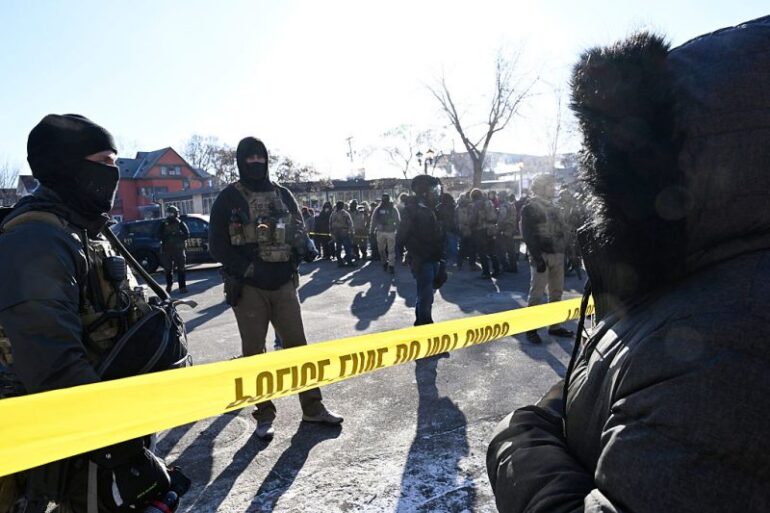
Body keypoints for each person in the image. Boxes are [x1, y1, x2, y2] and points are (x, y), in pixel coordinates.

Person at [489, 19, 770, 512]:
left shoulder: (734, 342)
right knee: (541, 292)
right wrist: (584, 391)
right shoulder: (695, 273)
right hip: (549, 258)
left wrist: (520, 437)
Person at [0, 114, 190, 512]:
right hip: (72, 437)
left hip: (103, 425)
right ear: (67, 167)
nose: (114, 173)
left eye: (114, 162)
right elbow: (51, 360)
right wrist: (120, 452)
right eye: (103, 162)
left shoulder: (83, 228)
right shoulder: (37, 238)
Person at [208, 136, 342, 439]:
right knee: (255, 354)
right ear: (240, 162)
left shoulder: (282, 194)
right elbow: (217, 245)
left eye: (260, 158)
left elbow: (298, 230)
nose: (255, 163)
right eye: (249, 159)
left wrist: (302, 250)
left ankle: (313, 408)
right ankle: (264, 414)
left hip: (284, 284)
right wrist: (248, 269)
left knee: (298, 348)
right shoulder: (228, 198)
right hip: (250, 287)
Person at [519, 174, 572, 343]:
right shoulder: (530, 208)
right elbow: (527, 235)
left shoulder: (554, 207)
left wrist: (568, 251)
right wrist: (537, 258)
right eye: (550, 185)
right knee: (537, 294)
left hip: (557, 254)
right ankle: (531, 329)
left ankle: (554, 326)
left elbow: (562, 230)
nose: (553, 188)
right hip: (541, 255)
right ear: (541, 187)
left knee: (556, 292)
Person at [398, 175, 446, 326]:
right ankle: (424, 323)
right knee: (425, 294)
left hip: (435, 257)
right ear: (423, 191)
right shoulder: (411, 210)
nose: (436, 193)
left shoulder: (434, 209)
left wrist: (442, 257)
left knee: (429, 293)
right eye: (433, 190)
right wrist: (414, 254)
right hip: (422, 258)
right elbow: (402, 235)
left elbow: (441, 233)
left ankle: (422, 320)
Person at [158, 204, 190, 293]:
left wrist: (178, 236)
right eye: (169, 214)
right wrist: (167, 237)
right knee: (168, 269)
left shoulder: (180, 223)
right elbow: (158, 235)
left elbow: (187, 234)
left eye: (172, 213)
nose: (170, 215)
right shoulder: (163, 224)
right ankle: (169, 286)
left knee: (181, 269)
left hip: (179, 250)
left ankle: (182, 287)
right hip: (167, 250)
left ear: (175, 214)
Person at [470, 188, 501, 279]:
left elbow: (473, 219)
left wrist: (471, 226)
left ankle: (486, 272)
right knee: (492, 251)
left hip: (481, 230)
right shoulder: (489, 202)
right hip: (491, 229)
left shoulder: (477, 204)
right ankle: (496, 270)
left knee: (482, 252)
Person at [369, 193, 400, 274]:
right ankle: (384, 263)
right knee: (381, 250)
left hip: (390, 231)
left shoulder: (393, 209)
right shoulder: (378, 209)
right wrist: (371, 231)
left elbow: (397, 220)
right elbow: (374, 220)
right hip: (381, 231)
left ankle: (391, 265)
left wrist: (397, 229)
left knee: (391, 250)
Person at [496, 191, 519, 273]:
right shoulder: (511, 205)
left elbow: (501, 219)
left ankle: (505, 266)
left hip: (504, 230)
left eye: (498, 196)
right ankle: (513, 267)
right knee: (511, 249)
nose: (497, 198)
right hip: (510, 229)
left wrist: (497, 228)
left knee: (500, 250)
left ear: (501, 197)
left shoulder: (503, 206)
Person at [436, 192, 459, 267]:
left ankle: (447, 260)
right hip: (454, 228)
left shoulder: (440, 207)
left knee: (446, 245)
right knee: (454, 245)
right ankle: (455, 260)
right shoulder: (454, 206)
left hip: (444, 228)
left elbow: (438, 218)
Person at [330, 201, 355, 267]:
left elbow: (330, 224)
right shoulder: (345, 213)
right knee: (347, 247)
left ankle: (340, 262)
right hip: (344, 232)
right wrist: (351, 232)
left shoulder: (333, 213)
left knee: (338, 248)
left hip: (336, 232)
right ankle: (349, 262)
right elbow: (350, 223)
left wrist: (332, 233)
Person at [455, 193, 476, 270]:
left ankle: (459, 264)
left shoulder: (457, 207)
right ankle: (472, 265)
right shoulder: (470, 206)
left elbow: (455, 220)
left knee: (461, 247)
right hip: (470, 229)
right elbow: (473, 217)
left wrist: (458, 227)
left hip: (462, 229)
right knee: (471, 247)